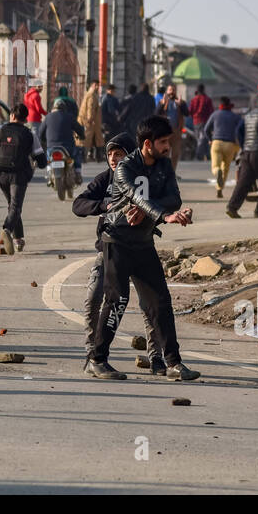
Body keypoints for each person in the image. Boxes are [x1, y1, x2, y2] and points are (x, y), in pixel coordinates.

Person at [87, 115, 201, 381]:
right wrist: (164, 216)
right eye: (163, 142)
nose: (167, 148)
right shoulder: (125, 168)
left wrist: (158, 213)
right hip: (117, 242)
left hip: (143, 242)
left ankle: (173, 362)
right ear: (147, 144)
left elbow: (174, 197)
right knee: (117, 300)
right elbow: (137, 197)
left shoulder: (163, 165)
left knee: (160, 302)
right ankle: (97, 359)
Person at [72, 133, 163, 373]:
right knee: (93, 298)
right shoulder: (105, 180)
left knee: (149, 305)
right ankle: (93, 356)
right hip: (109, 250)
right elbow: (78, 204)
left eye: (119, 154)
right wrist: (104, 205)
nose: (113, 158)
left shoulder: (144, 178)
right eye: (110, 154)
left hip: (140, 250)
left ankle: (156, 357)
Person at [0, 103, 46, 254]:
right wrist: (37, 162)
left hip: (1, 174)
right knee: (15, 206)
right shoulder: (29, 134)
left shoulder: (1, 131)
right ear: (25, 118)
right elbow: (41, 161)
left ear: (13, 116)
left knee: (12, 206)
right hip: (19, 175)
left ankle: (18, 239)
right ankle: (7, 229)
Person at [226, 92, 258, 218]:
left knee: (244, 183)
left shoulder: (249, 114)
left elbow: (238, 131)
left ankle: (232, 207)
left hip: (247, 153)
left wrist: (244, 146)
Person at [42, 97, 86, 183]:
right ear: (64, 108)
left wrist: (44, 140)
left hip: (51, 146)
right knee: (76, 154)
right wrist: (82, 136)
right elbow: (79, 129)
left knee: (48, 159)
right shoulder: (69, 116)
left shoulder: (48, 117)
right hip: (68, 147)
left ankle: (49, 173)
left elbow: (41, 132)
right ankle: (78, 173)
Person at [208, 97, 242, 199]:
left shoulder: (215, 114)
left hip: (216, 143)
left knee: (215, 166)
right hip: (230, 144)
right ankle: (219, 189)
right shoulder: (235, 116)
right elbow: (241, 128)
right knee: (225, 169)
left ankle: (217, 171)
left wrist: (209, 139)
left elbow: (206, 129)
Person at [156, 84, 187, 176]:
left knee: (176, 154)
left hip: (176, 131)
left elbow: (187, 113)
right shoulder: (163, 102)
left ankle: (172, 172)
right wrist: (162, 104)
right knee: (165, 153)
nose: (171, 92)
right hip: (165, 132)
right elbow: (156, 113)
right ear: (167, 91)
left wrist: (181, 105)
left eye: (173, 90)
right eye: (170, 90)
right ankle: (164, 172)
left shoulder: (180, 102)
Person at [77, 80, 104, 161]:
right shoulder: (91, 95)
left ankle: (94, 156)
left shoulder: (90, 94)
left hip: (91, 121)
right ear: (94, 85)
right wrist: (90, 118)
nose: (98, 87)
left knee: (94, 139)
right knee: (85, 140)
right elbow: (90, 108)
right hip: (89, 121)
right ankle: (83, 157)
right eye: (97, 86)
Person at [188, 85, 213, 161]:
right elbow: (211, 111)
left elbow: (190, 111)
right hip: (205, 121)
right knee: (204, 138)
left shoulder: (193, 100)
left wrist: (194, 117)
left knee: (199, 138)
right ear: (203, 89)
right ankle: (202, 155)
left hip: (196, 122)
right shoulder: (207, 99)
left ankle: (205, 155)